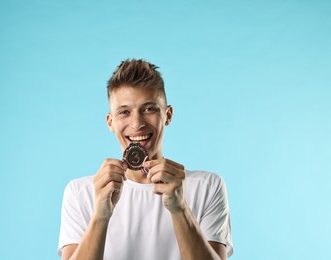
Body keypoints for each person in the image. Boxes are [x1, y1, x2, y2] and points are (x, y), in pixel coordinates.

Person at [58, 59, 233, 260]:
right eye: (124, 112)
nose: (137, 123)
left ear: (167, 115)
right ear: (111, 122)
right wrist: (100, 216)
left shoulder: (207, 186)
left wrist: (180, 209)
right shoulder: (80, 192)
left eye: (149, 109)